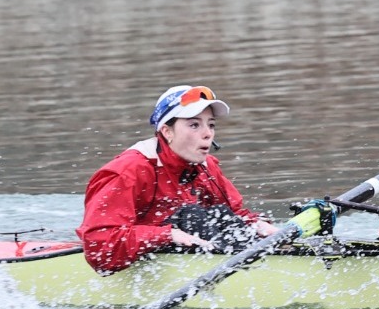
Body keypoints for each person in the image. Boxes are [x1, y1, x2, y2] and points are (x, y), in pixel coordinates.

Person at [76, 85, 278, 274]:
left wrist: (259, 226)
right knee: (192, 216)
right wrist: (168, 235)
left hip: (180, 246)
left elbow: (234, 215)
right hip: (133, 259)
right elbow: (99, 249)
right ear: (167, 132)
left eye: (211, 125)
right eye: (194, 125)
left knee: (219, 214)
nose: (208, 134)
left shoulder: (206, 167)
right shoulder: (127, 172)